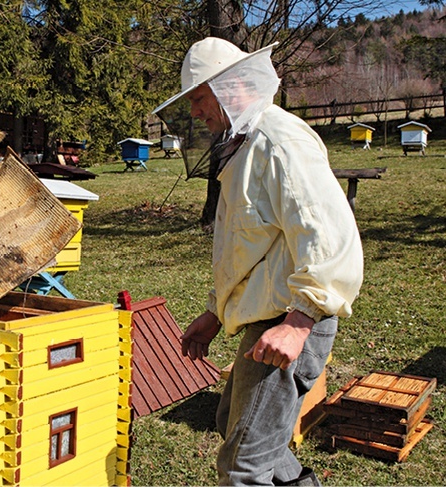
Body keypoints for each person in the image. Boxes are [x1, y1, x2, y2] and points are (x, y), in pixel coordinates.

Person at [153, 38, 364, 486]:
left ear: (228, 86)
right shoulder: (243, 146)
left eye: (198, 98)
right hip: (269, 320)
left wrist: (299, 321)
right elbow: (246, 247)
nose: (194, 112)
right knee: (236, 424)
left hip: (291, 322)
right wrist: (216, 311)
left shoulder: (278, 139)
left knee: (242, 466)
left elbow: (328, 234)